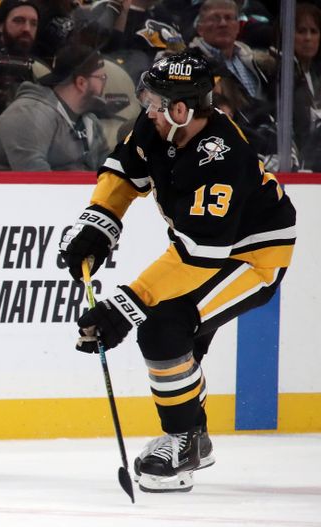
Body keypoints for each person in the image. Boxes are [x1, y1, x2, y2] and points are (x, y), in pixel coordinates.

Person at [59, 49, 296, 493]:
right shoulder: (159, 126)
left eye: (155, 101)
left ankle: (186, 440)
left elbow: (202, 254)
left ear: (182, 109)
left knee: (164, 326)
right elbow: (126, 172)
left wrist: (127, 305)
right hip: (206, 248)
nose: (147, 109)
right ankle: (194, 434)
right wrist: (98, 224)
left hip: (253, 257)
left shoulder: (221, 159)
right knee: (171, 334)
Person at [0, 44, 110, 171]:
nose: (105, 83)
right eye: (102, 78)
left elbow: (108, 172)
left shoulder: (89, 121)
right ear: (81, 83)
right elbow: (37, 183)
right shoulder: (27, 114)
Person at [292, 2, 321, 171]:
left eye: (314, 31)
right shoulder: (278, 74)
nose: (308, 38)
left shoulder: (315, 74)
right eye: (301, 31)